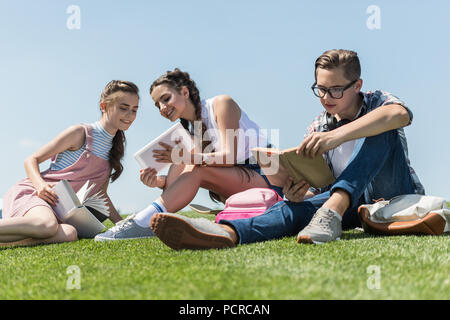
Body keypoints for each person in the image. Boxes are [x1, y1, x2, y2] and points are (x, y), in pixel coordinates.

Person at [149, 49, 425, 250]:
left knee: (381, 126)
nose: (326, 98)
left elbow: (399, 115)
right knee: (293, 209)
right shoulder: (317, 125)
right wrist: (298, 191)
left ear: (358, 86)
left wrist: (336, 136)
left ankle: (333, 211)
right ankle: (227, 232)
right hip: (351, 206)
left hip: (394, 193)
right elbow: (318, 185)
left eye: (336, 90)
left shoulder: (377, 101)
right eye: (320, 89)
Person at [95, 68, 290, 241]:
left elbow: (229, 156)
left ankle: (143, 222)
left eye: (166, 99)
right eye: (158, 105)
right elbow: (182, 177)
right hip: (242, 179)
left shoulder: (221, 104)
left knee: (194, 165)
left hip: (268, 175)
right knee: (187, 161)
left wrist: (184, 158)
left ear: (184, 92)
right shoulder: (188, 130)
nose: (163, 108)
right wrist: (159, 182)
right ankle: (146, 220)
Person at [0, 80, 139, 246]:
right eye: (123, 108)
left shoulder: (112, 151)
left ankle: (5, 244)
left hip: (58, 210)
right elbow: (31, 160)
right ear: (104, 106)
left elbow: (100, 195)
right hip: (35, 195)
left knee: (69, 233)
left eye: (134, 110)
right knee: (47, 225)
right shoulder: (80, 133)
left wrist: (119, 223)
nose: (130, 115)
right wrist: (40, 186)